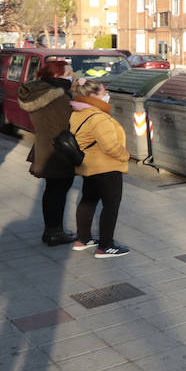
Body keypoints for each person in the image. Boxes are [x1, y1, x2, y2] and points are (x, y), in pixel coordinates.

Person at [69, 78, 131, 258]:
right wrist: (125, 156)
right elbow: (110, 146)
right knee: (111, 205)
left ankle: (83, 239)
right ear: (92, 95)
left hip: (89, 165)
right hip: (106, 166)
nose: (107, 95)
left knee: (88, 200)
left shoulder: (78, 111)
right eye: (104, 92)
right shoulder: (98, 117)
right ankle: (106, 246)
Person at [18, 59, 78, 247]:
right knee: (58, 192)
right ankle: (54, 232)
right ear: (57, 75)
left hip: (44, 147)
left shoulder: (36, 91)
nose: (72, 76)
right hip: (60, 151)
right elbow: (71, 123)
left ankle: (51, 230)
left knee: (52, 191)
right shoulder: (60, 97)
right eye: (68, 73)